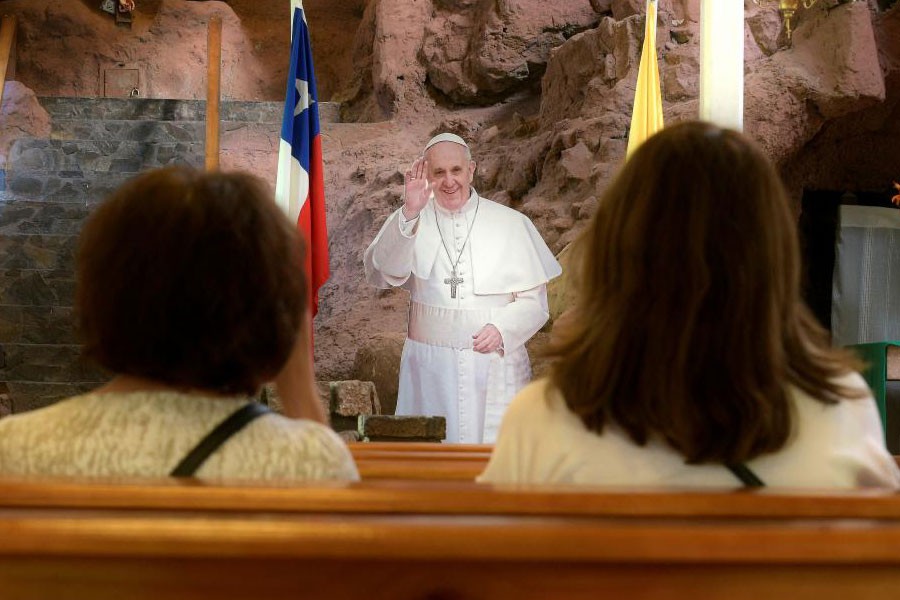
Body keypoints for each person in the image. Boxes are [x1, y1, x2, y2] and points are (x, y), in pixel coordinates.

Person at [480, 121, 900, 488]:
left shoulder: (544, 418)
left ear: (617, 253)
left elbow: (499, 572)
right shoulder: (840, 410)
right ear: (774, 257)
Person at [0, 166, 358, 481]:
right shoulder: (306, 462)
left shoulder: (12, 450)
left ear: (100, 294)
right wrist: (299, 387)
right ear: (273, 313)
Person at [364, 133, 561, 443]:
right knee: (432, 464)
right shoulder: (410, 219)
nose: (448, 181)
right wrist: (410, 212)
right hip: (429, 370)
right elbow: (384, 272)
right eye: (438, 172)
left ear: (471, 170)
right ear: (426, 174)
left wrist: (502, 328)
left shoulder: (511, 223)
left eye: (456, 170)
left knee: (495, 462)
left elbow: (535, 304)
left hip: (493, 365)